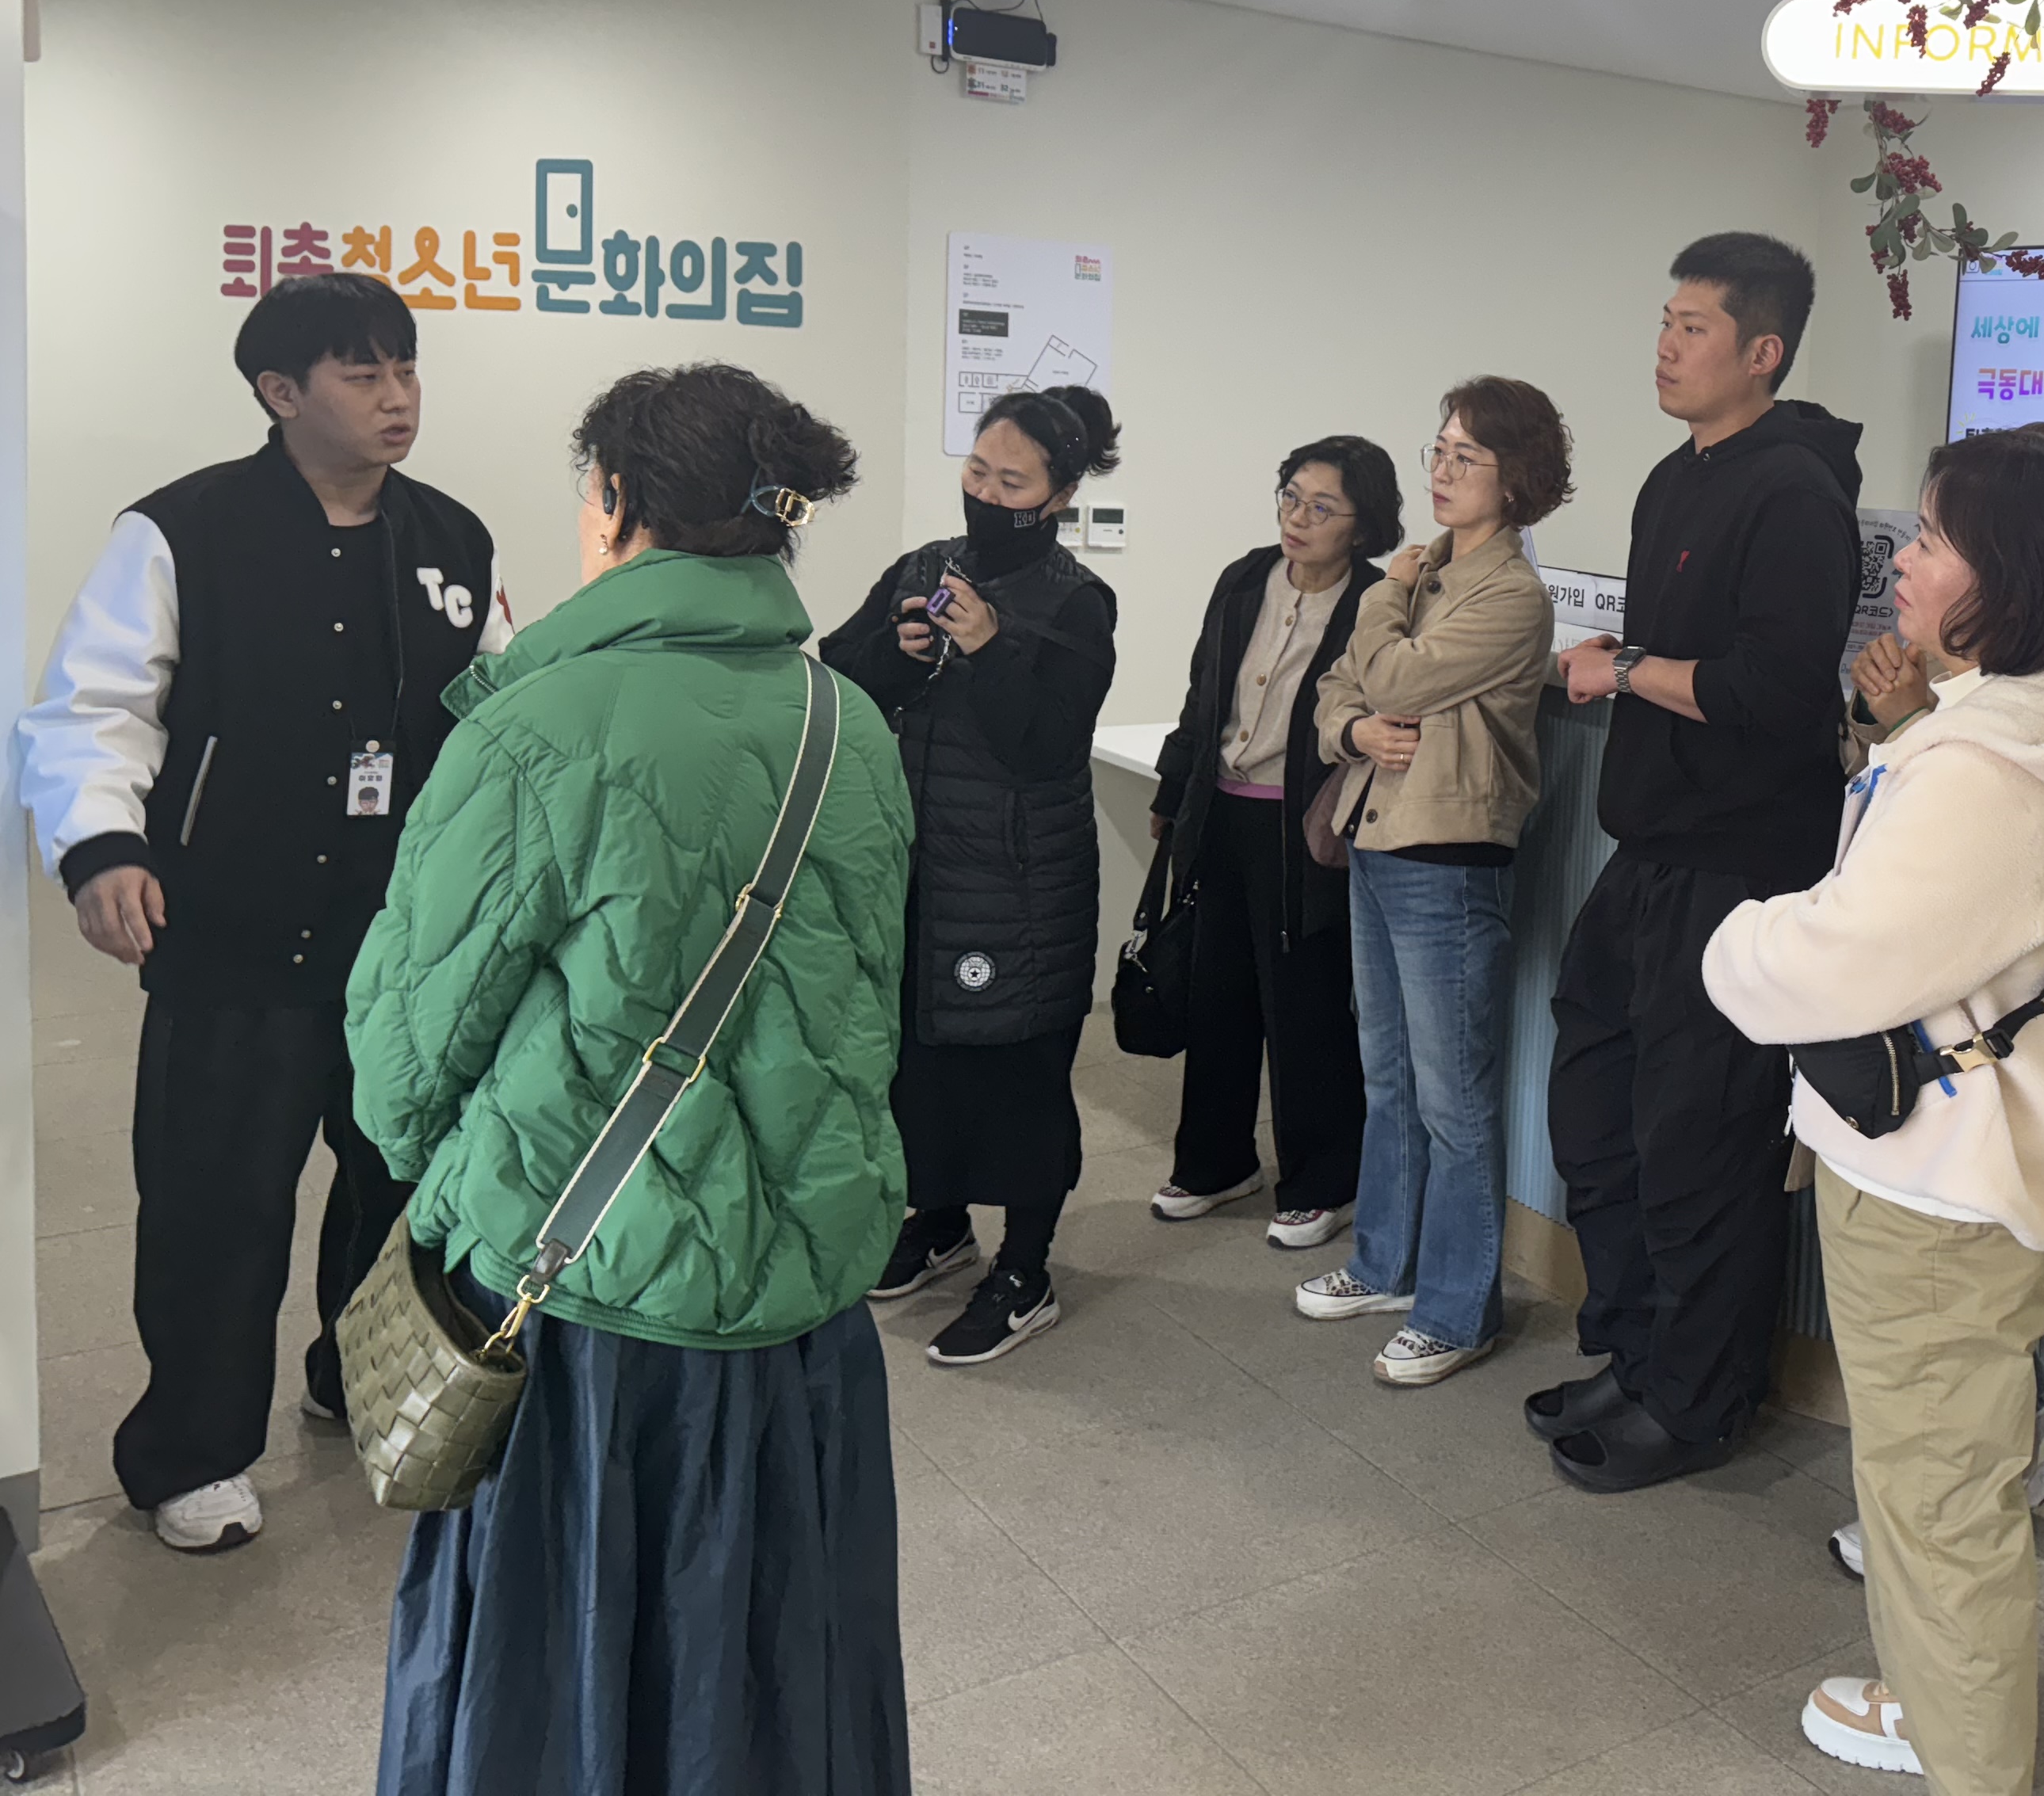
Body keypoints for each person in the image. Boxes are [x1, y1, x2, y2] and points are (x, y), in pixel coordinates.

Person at [349, 363, 910, 1794]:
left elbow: (400, 1066)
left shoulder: (537, 724)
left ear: (613, 501)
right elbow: (858, 1001)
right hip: (800, 1304)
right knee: (771, 1665)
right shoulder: (850, 723)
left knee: (560, 1675)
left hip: (586, 1310)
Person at [1706, 427, 2044, 1794]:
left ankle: (1964, 1749)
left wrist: (1733, 936)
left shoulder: (1987, 769)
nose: (1901, 562)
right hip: (2027, 1169)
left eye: (1929, 537)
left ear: (2012, 570)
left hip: (1938, 1190)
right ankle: (1938, 1697)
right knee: (1953, 1481)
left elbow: (1835, 956)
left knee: (1932, 1505)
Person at [13, 273, 507, 1555]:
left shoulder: (455, 539)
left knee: (398, 1188)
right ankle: (193, 1452)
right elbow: (94, 705)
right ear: (280, 392)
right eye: (363, 373)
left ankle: (362, 1378)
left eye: (407, 367)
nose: (398, 397)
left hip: (403, 947)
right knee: (215, 1205)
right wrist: (103, 845)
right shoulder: (180, 530)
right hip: (231, 938)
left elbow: (498, 713)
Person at [1535, 234, 1862, 1491]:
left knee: (1701, 1141)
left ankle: (1699, 1402)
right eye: (1665, 322)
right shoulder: (1678, 477)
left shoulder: (1796, 494)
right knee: (1600, 1107)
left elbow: (1775, 691)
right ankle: (1635, 1352)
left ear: (1762, 351)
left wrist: (1626, 670)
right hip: (1652, 850)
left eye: (1694, 328)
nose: (1666, 347)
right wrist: (1627, 658)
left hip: (1741, 868)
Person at [823, 384, 1121, 1366]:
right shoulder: (923, 565)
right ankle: (940, 1223)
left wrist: (990, 648)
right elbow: (838, 673)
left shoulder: (1079, 601)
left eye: (1013, 482)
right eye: (978, 471)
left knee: (1017, 1074)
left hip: (1019, 887)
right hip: (920, 869)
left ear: (1060, 495)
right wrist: (896, 651)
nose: (987, 494)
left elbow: (1045, 745)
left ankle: (1025, 1270)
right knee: (921, 1064)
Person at [1299, 380, 1567, 1386]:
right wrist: (1355, 732)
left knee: (1455, 1101)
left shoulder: (1509, 594)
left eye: (1467, 457)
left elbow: (1399, 677)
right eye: (1440, 451)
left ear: (1517, 478)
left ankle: (1458, 1311)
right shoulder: (1427, 574)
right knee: (1389, 1078)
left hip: (1448, 858)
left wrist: (1382, 602)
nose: (1443, 472)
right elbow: (1344, 688)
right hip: (1377, 838)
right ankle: (1385, 1264)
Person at [1149, 435, 1401, 1245]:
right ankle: (1215, 1162)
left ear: (1362, 525)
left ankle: (1326, 1180)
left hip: (1307, 827)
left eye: (1322, 507)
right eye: (1291, 496)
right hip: (1222, 811)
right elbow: (1203, 694)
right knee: (1216, 995)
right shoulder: (1244, 578)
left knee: (1307, 1006)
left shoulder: (1376, 601)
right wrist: (1173, 792)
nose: (1298, 518)